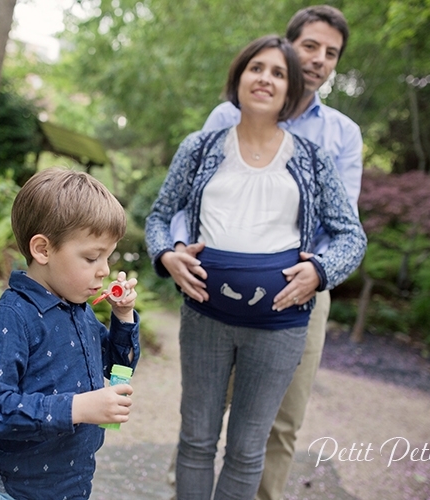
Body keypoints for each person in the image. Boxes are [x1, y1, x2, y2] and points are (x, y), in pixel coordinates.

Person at [145, 33, 366, 500]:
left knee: (248, 449)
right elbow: (161, 216)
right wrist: (166, 254)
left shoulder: (313, 158)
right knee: (196, 440)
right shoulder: (200, 148)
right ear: (239, 77)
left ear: (290, 92)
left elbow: (351, 235)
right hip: (205, 315)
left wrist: (321, 271)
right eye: (256, 68)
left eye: (278, 73)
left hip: (281, 324)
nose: (265, 79)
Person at [0, 168, 141, 500]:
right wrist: (78, 408)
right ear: (43, 250)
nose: (104, 270)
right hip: (13, 491)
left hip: (71, 485)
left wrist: (123, 315)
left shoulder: (80, 311)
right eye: (92, 257)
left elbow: (120, 368)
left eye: (108, 257)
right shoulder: (10, 319)